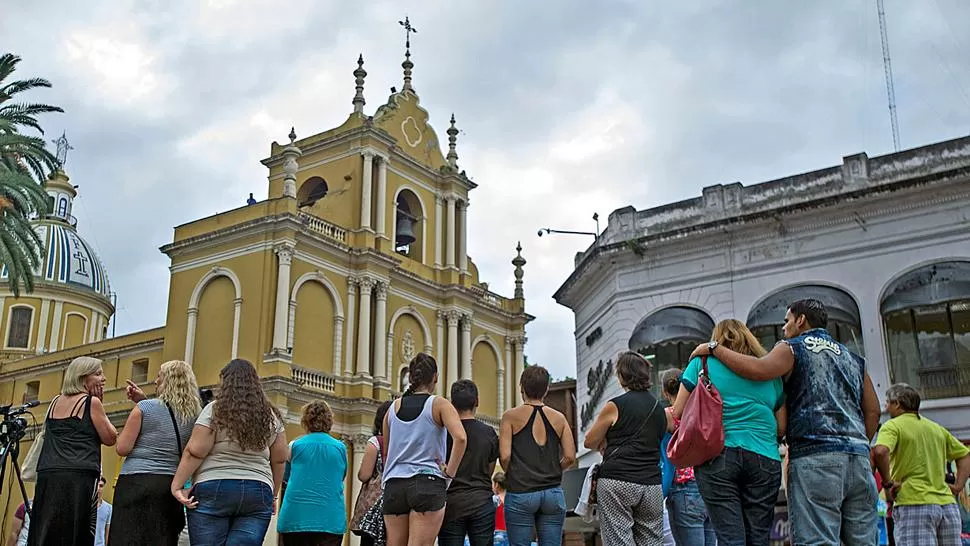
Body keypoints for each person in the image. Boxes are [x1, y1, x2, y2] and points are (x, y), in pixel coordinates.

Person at [690, 299, 881, 545]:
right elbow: (873, 411)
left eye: (787, 321)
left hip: (816, 457)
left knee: (818, 540)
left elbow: (759, 369)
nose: (784, 328)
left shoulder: (791, 348)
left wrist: (715, 348)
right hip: (858, 459)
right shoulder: (854, 358)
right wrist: (859, 443)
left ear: (801, 320)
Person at [674, 319, 786, 546]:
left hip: (717, 454)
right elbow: (782, 426)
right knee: (759, 538)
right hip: (765, 458)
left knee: (729, 538)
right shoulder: (769, 372)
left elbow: (678, 410)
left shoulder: (702, 363)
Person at [171, 359, 288, 546]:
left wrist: (177, 486)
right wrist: (273, 494)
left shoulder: (215, 410)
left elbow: (195, 451)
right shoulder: (271, 416)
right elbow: (280, 459)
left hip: (214, 484)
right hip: (257, 489)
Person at [28, 356, 118, 546]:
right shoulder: (90, 403)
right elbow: (110, 438)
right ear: (83, 377)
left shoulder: (54, 402)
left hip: (49, 473)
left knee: (46, 528)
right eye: (98, 373)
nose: (104, 379)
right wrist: (99, 402)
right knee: (76, 531)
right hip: (78, 475)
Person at [112, 360, 202, 545]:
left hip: (135, 482)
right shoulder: (195, 414)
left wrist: (116, 434)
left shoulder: (144, 409)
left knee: (127, 537)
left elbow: (123, 448)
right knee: (161, 537)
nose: (155, 381)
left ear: (167, 380)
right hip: (168, 484)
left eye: (159, 376)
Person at [584, 352, 669, 546]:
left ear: (623, 376)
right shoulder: (659, 409)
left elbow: (589, 441)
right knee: (652, 541)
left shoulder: (615, 406)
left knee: (619, 540)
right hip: (651, 485)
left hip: (617, 482)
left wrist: (605, 441)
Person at [382, 353, 468, 546]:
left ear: (411, 377)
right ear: (435, 377)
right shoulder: (439, 404)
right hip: (427, 482)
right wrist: (449, 472)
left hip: (394, 485)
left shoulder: (392, 409)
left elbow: (387, 451)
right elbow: (461, 438)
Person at [872, 383, 970, 545]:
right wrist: (958, 486)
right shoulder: (936, 428)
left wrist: (888, 483)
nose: (886, 407)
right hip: (947, 506)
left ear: (897, 403)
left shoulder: (892, 426)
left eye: (888, 403)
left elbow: (880, 451)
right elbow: (965, 455)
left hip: (914, 504)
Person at [500, 365, 576, 546]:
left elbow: (504, 456)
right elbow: (570, 457)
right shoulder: (560, 418)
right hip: (552, 492)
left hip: (521, 492)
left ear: (521, 388)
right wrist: (555, 469)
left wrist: (514, 472)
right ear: (546, 389)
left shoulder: (510, 417)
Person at [438, 380, 500, 546]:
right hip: (481, 501)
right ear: (477, 402)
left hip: (451, 503)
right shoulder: (489, 433)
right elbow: (490, 469)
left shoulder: (444, 433)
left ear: (452, 403)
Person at [659, 368, 716, 546]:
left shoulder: (668, 415)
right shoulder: (701, 411)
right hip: (708, 487)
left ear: (665, 391)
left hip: (683, 490)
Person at [277, 401, 347, 546]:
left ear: (306, 421)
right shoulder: (340, 448)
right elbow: (341, 476)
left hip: (297, 518)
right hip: (330, 519)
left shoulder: (294, 446)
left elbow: (285, 477)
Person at [352, 400, 393, 546]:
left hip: (375, 510)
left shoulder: (376, 442)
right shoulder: (404, 442)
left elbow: (364, 475)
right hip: (398, 503)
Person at [95, 476, 111, 546]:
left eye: (101, 486)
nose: (98, 488)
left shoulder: (109, 508)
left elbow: (107, 532)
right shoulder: (84, 506)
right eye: (96, 486)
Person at [492, 473, 508, 546]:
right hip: (510, 534)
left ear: (497, 484)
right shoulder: (511, 499)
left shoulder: (495, 499)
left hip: (497, 534)